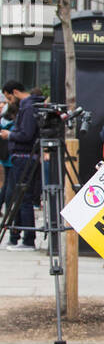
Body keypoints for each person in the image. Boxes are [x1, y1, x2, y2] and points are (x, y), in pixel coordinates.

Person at [2, 78, 42, 249]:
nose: (10, 103)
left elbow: (26, 134)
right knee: (16, 197)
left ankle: (27, 238)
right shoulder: (30, 106)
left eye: (9, 98)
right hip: (25, 157)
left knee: (22, 198)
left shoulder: (27, 107)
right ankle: (16, 235)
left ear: (15, 93)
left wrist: (10, 135)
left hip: (24, 157)